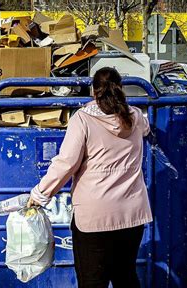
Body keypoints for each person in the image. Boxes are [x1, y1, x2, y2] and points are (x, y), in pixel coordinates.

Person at [28, 67, 152, 288]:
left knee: (93, 280)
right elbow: (145, 129)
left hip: (95, 218)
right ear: (120, 89)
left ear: (94, 91)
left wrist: (40, 194)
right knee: (126, 276)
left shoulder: (83, 119)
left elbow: (66, 163)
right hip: (132, 214)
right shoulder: (134, 116)